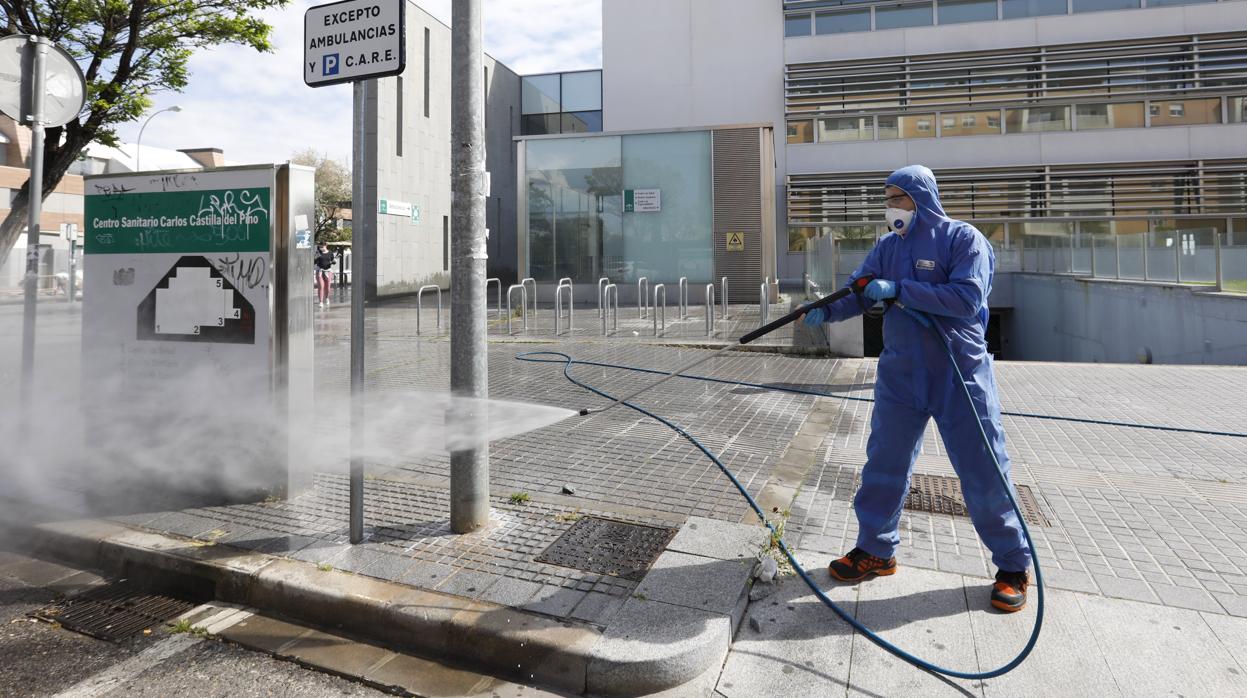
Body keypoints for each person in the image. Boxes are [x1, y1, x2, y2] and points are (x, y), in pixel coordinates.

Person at [799, 165, 1032, 613]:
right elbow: (860, 291)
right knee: (884, 463)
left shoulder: (962, 239)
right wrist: (823, 311)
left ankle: (1012, 564)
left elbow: (966, 299)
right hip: (901, 372)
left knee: (983, 471)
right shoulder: (887, 246)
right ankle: (876, 549)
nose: (891, 208)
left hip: (958, 373)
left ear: (921, 198)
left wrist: (900, 291)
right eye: (887, 199)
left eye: (898, 198)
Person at [314, 243, 334, 308]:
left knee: (328, 287)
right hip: (319, 271)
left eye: (322, 246)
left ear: (326, 246)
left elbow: (332, 260)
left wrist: (334, 262)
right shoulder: (318, 253)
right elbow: (314, 262)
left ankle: (327, 298)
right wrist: (316, 258)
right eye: (320, 247)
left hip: (328, 271)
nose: (321, 248)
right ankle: (321, 302)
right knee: (321, 287)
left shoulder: (330, 253)